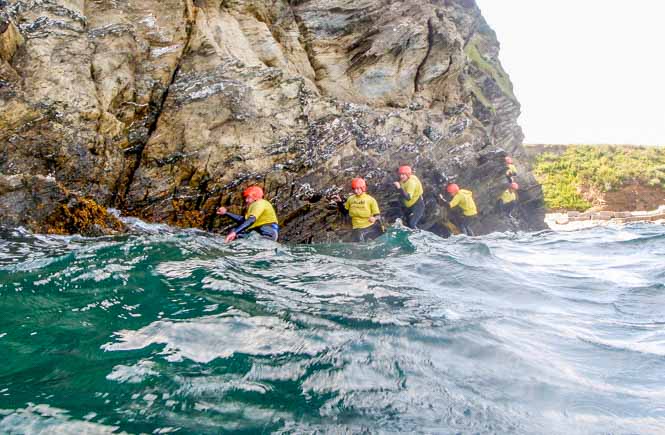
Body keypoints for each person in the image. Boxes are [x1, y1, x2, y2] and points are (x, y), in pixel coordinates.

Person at [333, 177, 384, 242]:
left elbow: (378, 215)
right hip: (357, 228)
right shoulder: (350, 199)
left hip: (371, 227)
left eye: (357, 189)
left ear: (363, 188)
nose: (355, 191)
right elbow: (345, 212)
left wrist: (374, 218)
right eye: (354, 189)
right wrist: (339, 202)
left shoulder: (371, 200)